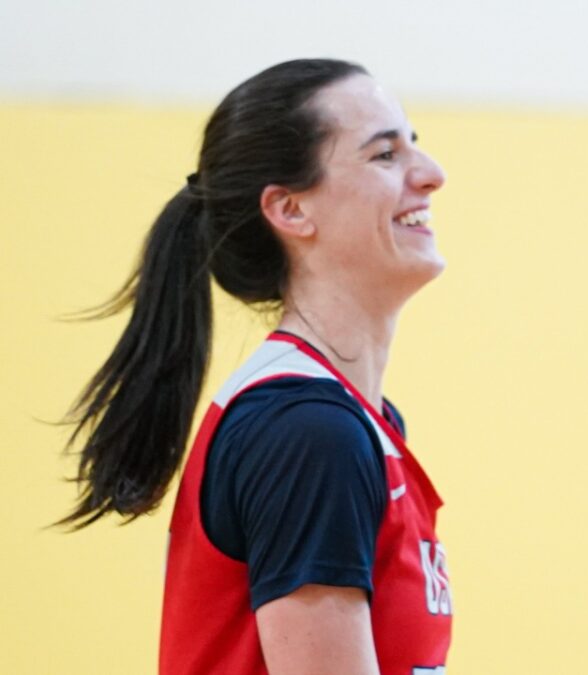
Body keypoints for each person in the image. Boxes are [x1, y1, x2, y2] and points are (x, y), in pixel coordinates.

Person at [61, 59, 452, 674]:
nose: (431, 176)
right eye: (384, 156)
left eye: (415, 147)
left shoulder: (353, 421)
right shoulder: (309, 433)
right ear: (290, 210)